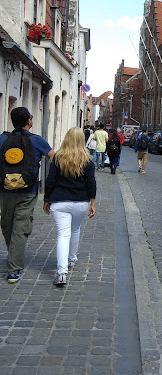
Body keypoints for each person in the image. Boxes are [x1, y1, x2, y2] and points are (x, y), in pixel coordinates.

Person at [0, 107, 55, 283]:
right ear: (29, 122)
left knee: (7, 225)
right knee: (20, 227)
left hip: (5, 189)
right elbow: (53, 157)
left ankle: (14, 257)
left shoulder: (2, 139)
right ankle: (14, 269)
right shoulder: (37, 140)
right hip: (28, 191)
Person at [43, 127, 96, 286]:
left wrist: (46, 200)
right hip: (81, 202)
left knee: (63, 234)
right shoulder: (87, 159)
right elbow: (91, 183)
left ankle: (61, 273)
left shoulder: (58, 157)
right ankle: (72, 260)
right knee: (75, 229)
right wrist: (93, 202)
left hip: (59, 202)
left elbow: (50, 180)